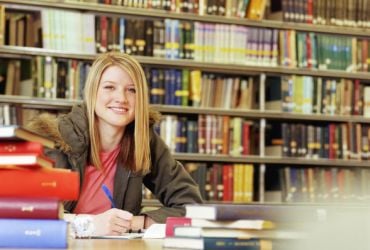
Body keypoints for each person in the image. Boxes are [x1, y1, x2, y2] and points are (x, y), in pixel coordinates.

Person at [27, 52, 203, 237]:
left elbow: (191, 206)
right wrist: (89, 224)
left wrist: (137, 222)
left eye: (132, 90)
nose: (122, 98)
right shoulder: (52, 138)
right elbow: (22, 211)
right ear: (92, 92)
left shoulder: (142, 139)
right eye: (109, 87)